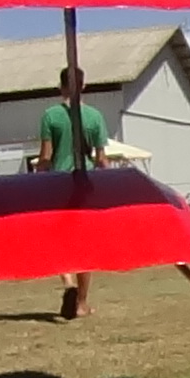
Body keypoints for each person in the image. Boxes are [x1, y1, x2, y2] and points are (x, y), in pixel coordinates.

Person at [36, 66, 111, 318]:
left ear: (61, 87)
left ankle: (67, 282)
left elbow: (45, 157)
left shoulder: (51, 116)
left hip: (57, 184)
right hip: (85, 184)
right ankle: (81, 303)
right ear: (83, 86)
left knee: (58, 241)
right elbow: (101, 159)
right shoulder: (94, 117)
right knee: (84, 246)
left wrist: (37, 181)